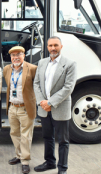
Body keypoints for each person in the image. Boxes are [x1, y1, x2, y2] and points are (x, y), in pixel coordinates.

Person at [33, 36, 77, 174]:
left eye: (56, 45)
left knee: (63, 140)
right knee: (47, 137)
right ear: (47, 47)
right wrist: (42, 102)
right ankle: (50, 162)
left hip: (60, 108)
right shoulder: (42, 62)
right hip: (44, 109)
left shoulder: (69, 64)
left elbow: (68, 87)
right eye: (50, 45)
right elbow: (36, 84)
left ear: (61, 46)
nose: (53, 48)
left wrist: (50, 102)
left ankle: (62, 168)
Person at [3, 46, 37, 174]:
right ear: (10, 57)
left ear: (24, 55)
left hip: (25, 108)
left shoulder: (32, 69)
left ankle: (25, 161)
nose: (15, 57)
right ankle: (18, 156)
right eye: (13, 55)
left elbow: (37, 87)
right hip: (12, 107)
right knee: (14, 134)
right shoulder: (7, 69)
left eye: (18, 54)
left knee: (26, 136)